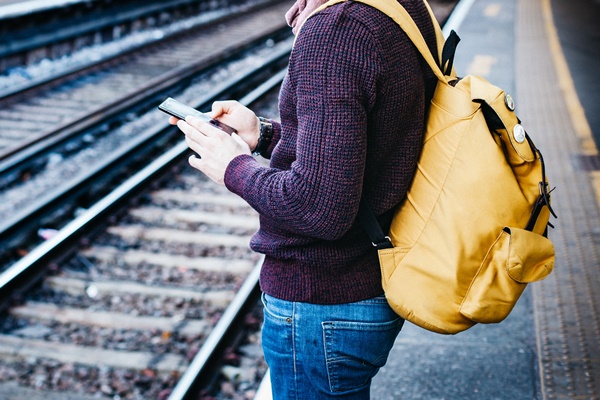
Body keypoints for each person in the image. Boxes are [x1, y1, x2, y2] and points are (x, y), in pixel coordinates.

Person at [169, 0, 439, 397]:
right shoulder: (400, 6)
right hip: (366, 279)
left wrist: (234, 167)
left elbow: (318, 208)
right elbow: (362, 149)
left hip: (324, 303)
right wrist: (261, 134)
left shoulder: (335, 30)